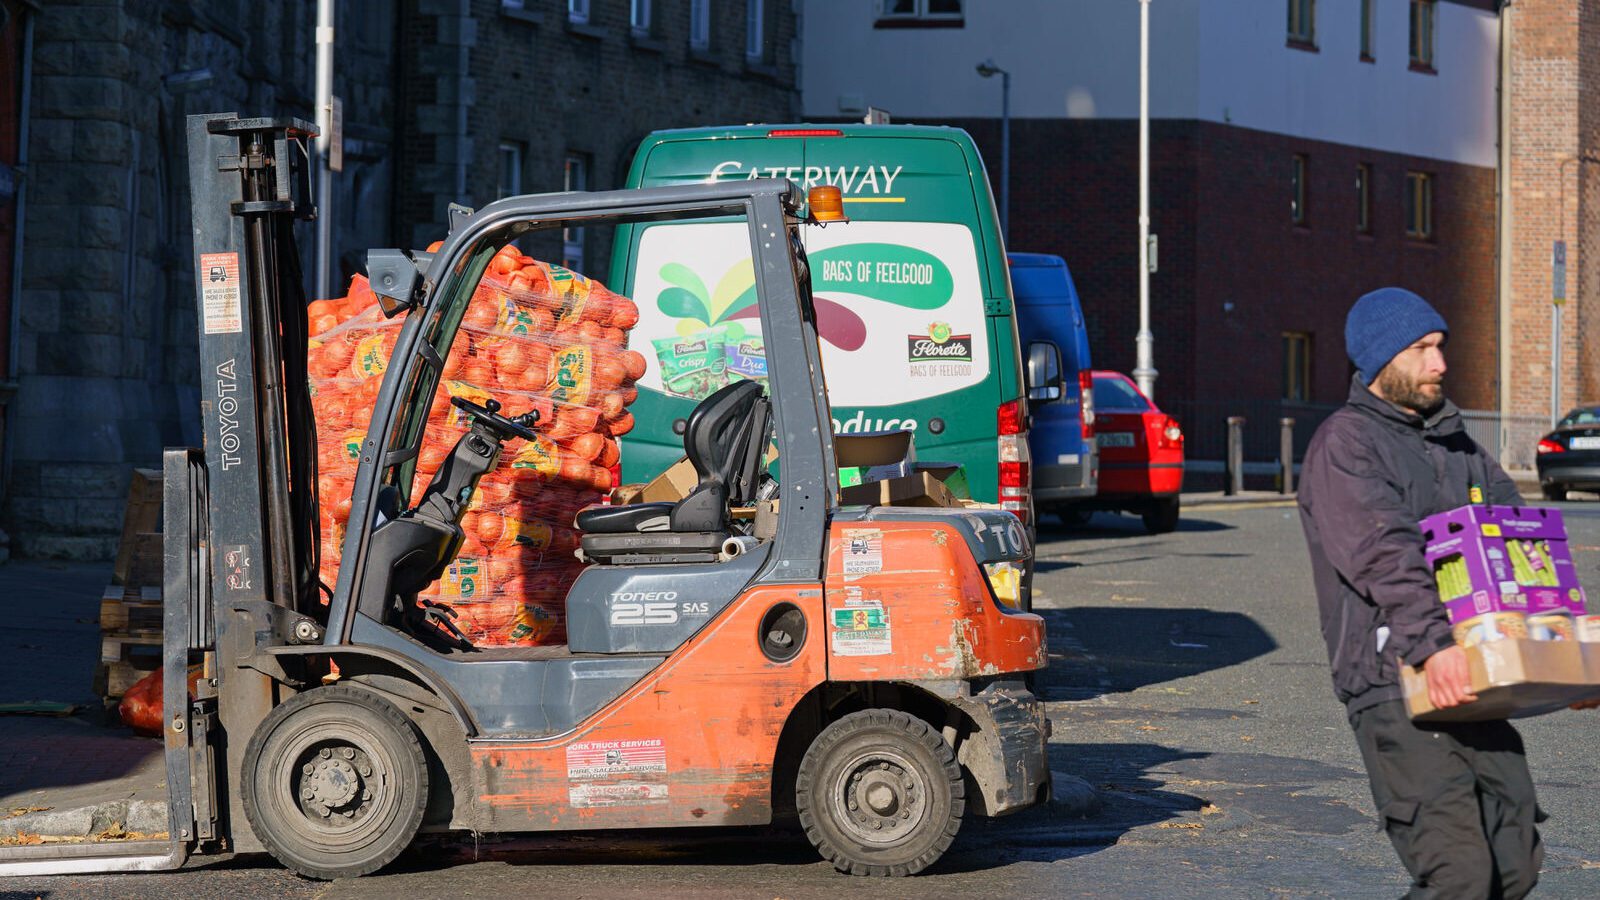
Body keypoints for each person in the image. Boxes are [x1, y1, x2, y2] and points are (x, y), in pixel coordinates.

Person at [1298, 287, 1542, 898]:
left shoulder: (1456, 444)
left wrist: (1564, 645)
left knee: (1514, 857)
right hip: (1395, 676)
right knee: (1458, 871)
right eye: (1422, 349)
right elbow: (1384, 555)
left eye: (1440, 347)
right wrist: (1433, 648)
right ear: (1383, 361)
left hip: (1476, 669)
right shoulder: (1346, 444)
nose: (1440, 362)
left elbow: (1521, 540)